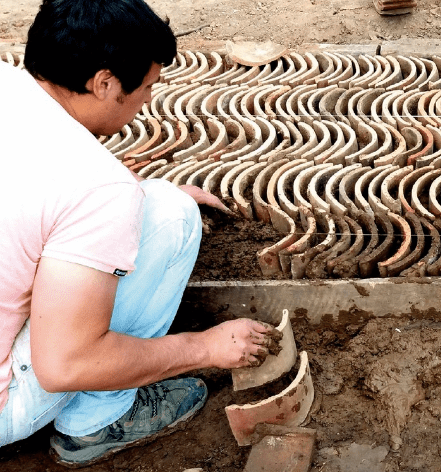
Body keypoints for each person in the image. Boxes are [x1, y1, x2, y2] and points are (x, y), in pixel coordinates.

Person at [0, 0, 279, 467]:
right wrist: (205, 346)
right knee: (171, 212)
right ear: (105, 83)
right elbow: (67, 364)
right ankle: (96, 424)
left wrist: (128, 189)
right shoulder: (94, 185)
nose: (148, 101)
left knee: (149, 198)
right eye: (147, 87)